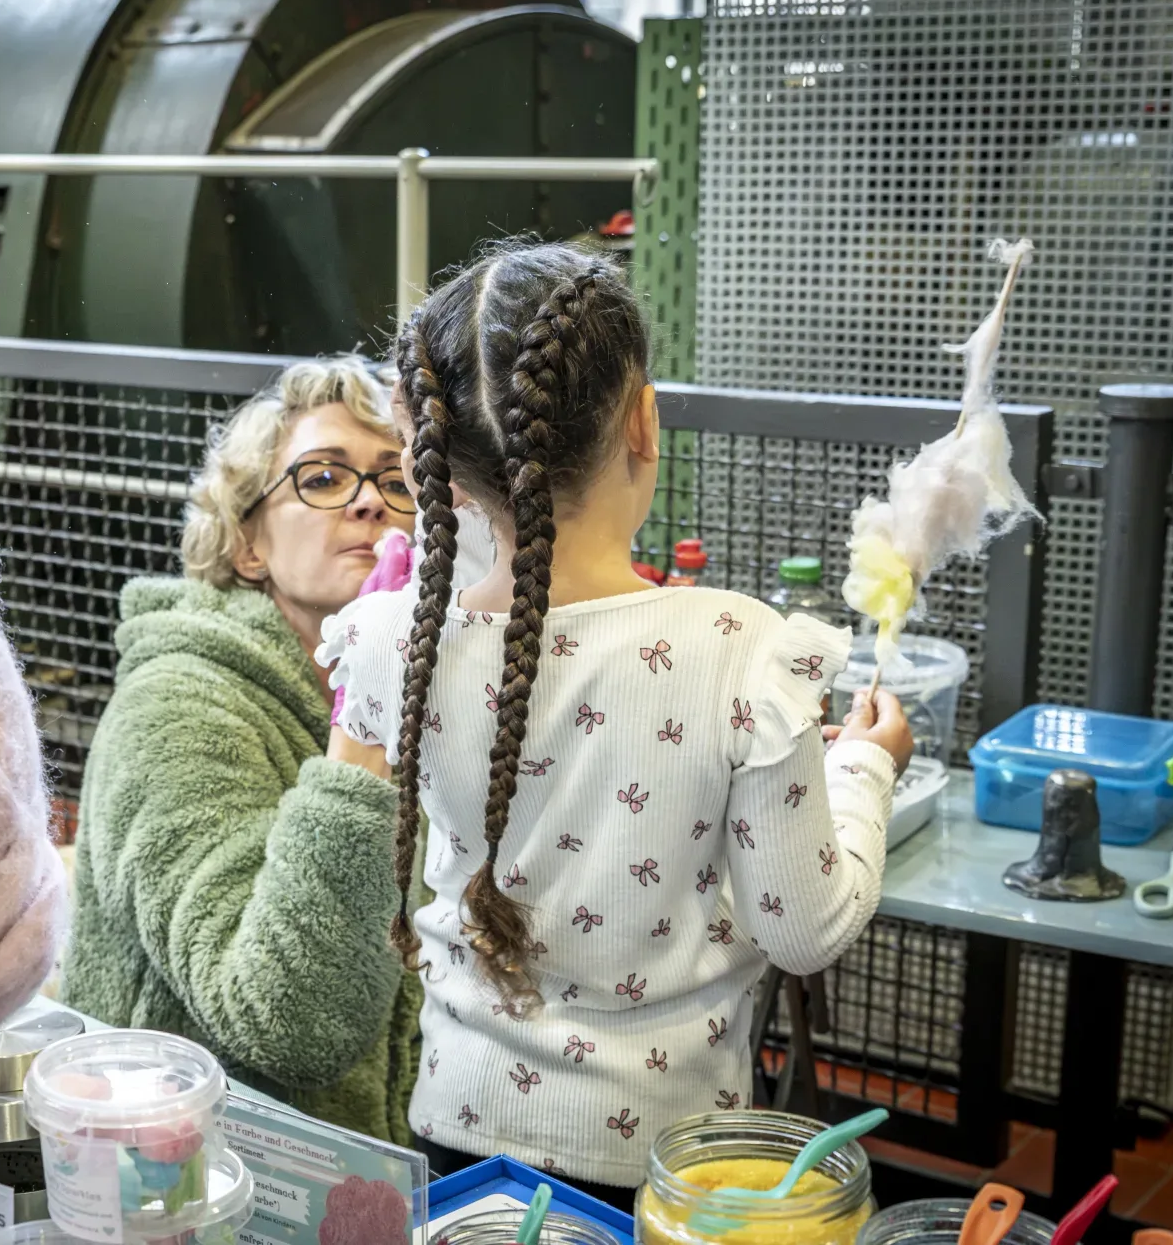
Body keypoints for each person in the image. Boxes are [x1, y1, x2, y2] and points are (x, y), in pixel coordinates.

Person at [318, 242, 913, 1203]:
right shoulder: (740, 653)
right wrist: (865, 773)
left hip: (455, 1135)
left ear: (444, 461)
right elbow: (802, 928)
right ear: (643, 421)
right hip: (663, 1167)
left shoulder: (390, 643)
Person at [62, 356, 425, 1143]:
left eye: (397, 481)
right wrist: (360, 732)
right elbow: (291, 1020)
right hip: (186, 1192)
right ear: (247, 544)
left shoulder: (428, 693)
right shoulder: (176, 707)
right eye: (323, 479)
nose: (369, 501)